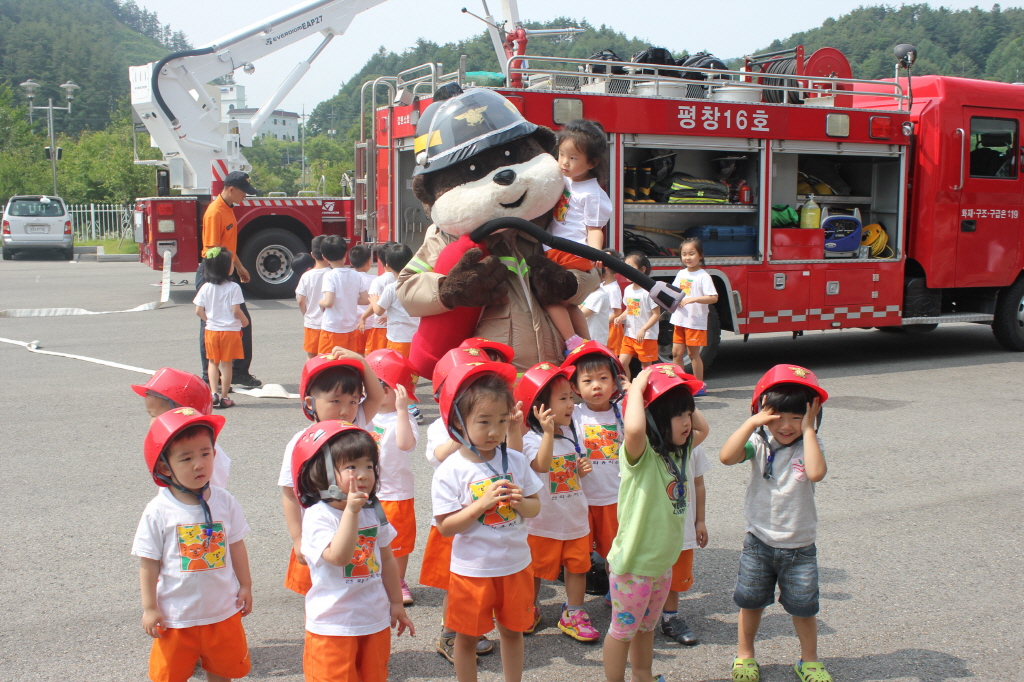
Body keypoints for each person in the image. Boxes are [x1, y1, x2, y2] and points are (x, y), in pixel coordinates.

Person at [717, 365, 831, 682]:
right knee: (750, 604)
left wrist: (809, 431)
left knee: (804, 609)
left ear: (811, 417)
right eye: (778, 416)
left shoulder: (811, 444)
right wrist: (752, 422)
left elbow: (816, 473)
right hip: (759, 543)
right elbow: (726, 457)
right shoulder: (759, 442)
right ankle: (744, 655)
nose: (787, 425)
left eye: (797, 417)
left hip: (800, 547)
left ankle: (809, 661)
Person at [432, 361, 542, 682]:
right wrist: (480, 505)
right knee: (466, 638)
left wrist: (521, 502)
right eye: (484, 421)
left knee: (512, 632)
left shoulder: (516, 460)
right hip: (473, 571)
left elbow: (535, 507)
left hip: (515, 565)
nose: (494, 431)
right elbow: (445, 527)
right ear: (458, 421)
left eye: (502, 420)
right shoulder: (451, 470)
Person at [603, 363, 708, 682]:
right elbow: (635, 430)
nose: (687, 422)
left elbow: (704, 429)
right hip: (634, 567)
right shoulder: (641, 454)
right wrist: (637, 390)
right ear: (653, 418)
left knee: (646, 628)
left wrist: (680, 390)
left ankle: (643, 676)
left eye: (688, 414)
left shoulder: (680, 451)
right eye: (678, 416)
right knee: (622, 632)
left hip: (662, 565)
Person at [132, 407, 252, 682]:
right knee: (171, 675)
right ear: (165, 467)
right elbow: (148, 562)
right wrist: (150, 607)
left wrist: (245, 585)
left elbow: (236, 545)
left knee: (222, 671)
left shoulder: (225, 501)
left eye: (205, 454)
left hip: (222, 611)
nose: (199, 464)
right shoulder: (158, 510)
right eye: (186, 458)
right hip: (176, 616)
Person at [291, 420, 414, 682]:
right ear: (324, 472)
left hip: (373, 619)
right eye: (351, 467)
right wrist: (350, 512)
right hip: (333, 625)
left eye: (369, 466)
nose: (363, 474)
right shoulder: (318, 516)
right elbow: (338, 557)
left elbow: (387, 559)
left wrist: (395, 603)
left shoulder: (373, 511)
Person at [422, 339, 515, 663]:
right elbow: (436, 456)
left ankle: (473, 629)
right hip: (456, 516)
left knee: (479, 582)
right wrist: (458, 429)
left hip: (490, 520)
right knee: (457, 583)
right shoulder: (441, 426)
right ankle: (451, 634)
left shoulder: (492, 421)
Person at [279, 351, 385, 597]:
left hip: (358, 520)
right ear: (310, 403)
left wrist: (361, 361)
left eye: (353, 401)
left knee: (358, 581)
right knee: (318, 592)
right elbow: (289, 493)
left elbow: (377, 396)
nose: (345, 410)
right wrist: (298, 538)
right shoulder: (302, 441)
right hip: (320, 529)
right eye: (335, 401)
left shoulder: (354, 427)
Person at [515, 361, 597, 642]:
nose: (571, 404)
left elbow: (569, 473)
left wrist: (581, 470)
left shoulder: (572, 434)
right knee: (534, 570)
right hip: (543, 523)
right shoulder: (531, 439)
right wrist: (549, 433)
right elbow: (541, 465)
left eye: (571, 397)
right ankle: (530, 607)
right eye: (563, 399)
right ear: (540, 408)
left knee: (578, 568)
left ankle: (574, 611)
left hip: (575, 518)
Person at [562, 341, 626, 599]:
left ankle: (618, 597)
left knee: (616, 553)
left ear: (615, 382)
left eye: (603, 378)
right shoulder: (574, 414)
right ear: (575, 388)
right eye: (587, 381)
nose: (596, 386)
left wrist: (634, 393)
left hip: (615, 498)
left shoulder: (624, 411)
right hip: (581, 499)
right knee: (578, 556)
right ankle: (574, 606)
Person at [544, 119, 613, 351]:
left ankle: (571, 341)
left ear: (592, 162)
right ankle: (585, 343)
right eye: (561, 154)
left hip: (569, 252)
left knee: (549, 298)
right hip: (558, 249)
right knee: (569, 304)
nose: (564, 162)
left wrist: (594, 254)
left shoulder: (592, 194)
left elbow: (594, 229)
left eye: (573, 158)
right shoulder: (564, 179)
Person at [197, 171, 260, 390]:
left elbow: (228, 247)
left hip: (226, 269)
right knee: (211, 323)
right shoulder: (215, 213)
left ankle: (237, 372)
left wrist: (239, 267)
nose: (245, 196)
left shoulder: (228, 208)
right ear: (231, 189)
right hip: (213, 270)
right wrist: (221, 278)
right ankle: (210, 375)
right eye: (244, 192)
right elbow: (214, 251)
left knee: (239, 321)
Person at [366, 349, 420, 605]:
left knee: (399, 542)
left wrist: (401, 410)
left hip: (396, 493)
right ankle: (371, 579)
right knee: (367, 536)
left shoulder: (404, 418)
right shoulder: (365, 413)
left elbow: (405, 444)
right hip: (368, 491)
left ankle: (398, 580)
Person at [132, 367, 231, 488]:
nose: (151, 422)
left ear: (183, 413)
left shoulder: (202, 453)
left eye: (155, 415)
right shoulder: (196, 448)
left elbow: (212, 494)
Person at [193, 247, 249, 409]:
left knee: (212, 363)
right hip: (230, 331)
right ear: (226, 268)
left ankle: (213, 393)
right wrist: (245, 321)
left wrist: (209, 320)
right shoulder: (233, 287)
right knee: (226, 364)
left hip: (211, 331)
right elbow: (236, 310)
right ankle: (225, 396)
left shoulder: (205, 287)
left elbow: (198, 310)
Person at [669, 237, 718, 389]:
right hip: (679, 320)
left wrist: (693, 299)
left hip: (695, 322)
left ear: (700, 255)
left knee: (692, 354)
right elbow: (674, 292)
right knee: (676, 354)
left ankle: (699, 385)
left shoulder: (704, 276)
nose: (687, 258)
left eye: (692, 254)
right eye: (684, 254)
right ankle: (679, 384)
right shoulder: (681, 274)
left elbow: (713, 298)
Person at [318, 235, 369, 354]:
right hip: (351, 327)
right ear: (346, 254)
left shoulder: (329, 275)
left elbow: (329, 302)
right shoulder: (355, 275)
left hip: (333, 328)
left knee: (328, 361)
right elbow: (365, 299)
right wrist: (349, 298)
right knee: (347, 361)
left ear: (324, 257)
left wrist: (320, 302)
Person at [614, 253, 660, 378]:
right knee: (622, 363)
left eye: (630, 267)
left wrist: (644, 329)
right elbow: (630, 309)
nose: (626, 271)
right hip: (629, 335)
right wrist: (620, 317)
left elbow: (656, 315)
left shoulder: (650, 291)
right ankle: (627, 387)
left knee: (645, 368)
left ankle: (647, 389)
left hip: (646, 337)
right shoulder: (628, 289)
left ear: (642, 269)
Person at [372, 243, 420, 360]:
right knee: (412, 368)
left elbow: (378, 311)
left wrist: (374, 301)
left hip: (398, 338)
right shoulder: (418, 284)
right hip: (416, 336)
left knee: (397, 367)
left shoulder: (391, 288)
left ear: (388, 266)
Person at [295, 235, 331, 359]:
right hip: (330, 323)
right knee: (328, 357)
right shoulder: (333, 274)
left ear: (312, 255)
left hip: (312, 323)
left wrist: (306, 314)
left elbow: (301, 300)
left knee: (312, 357)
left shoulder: (306, 276)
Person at [362, 242, 396, 355]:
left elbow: (374, 304)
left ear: (381, 261)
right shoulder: (402, 280)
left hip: (380, 326)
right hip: (395, 326)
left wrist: (363, 317)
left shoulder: (378, 281)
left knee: (374, 357)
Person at [349, 244, 375, 353]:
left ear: (351, 263)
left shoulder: (349, 278)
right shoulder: (375, 279)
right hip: (372, 324)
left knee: (356, 355)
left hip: (354, 324)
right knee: (370, 356)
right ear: (369, 262)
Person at [601, 250, 625, 356]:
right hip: (604, 326)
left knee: (609, 356)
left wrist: (602, 323)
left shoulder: (613, 289)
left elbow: (617, 312)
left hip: (610, 328)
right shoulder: (601, 284)